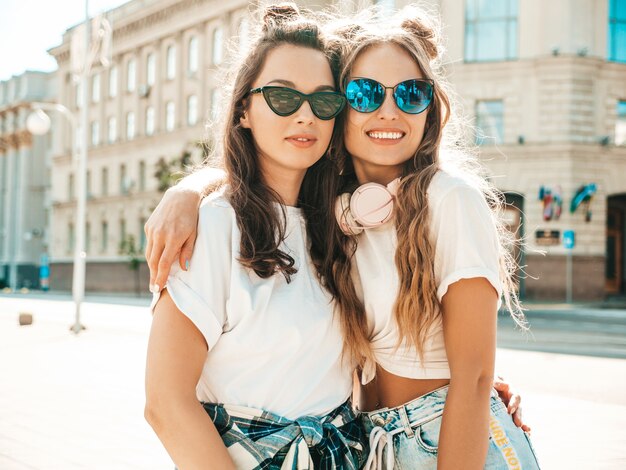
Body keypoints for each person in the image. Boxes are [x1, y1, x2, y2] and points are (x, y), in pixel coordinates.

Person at [145, 5, 534, 470]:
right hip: (373, 444)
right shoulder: (324, 217)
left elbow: (469, 376)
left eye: (411, 93)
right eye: (365, 93)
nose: (388, 109)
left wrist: (473, 389)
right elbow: (164, 403)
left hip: (435, 442)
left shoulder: (429, 204)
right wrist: (188, 189)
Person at [144, 5, 366, 469]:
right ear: (243, 108)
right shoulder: (214, 225)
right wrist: (191, 189)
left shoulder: (341, 227)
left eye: (323, 102)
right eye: (283, 98)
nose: (305, 116)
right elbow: (165, 404)